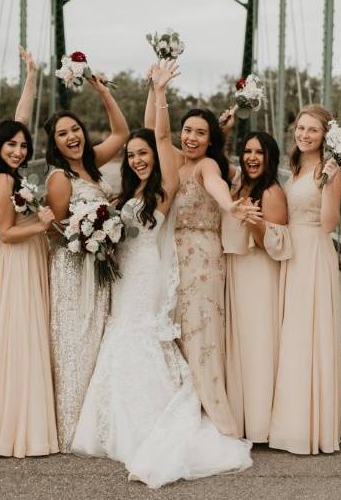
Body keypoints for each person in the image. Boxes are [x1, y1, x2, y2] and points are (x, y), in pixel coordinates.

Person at [71, 60, 252, 488]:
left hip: (163, 266)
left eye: (142, 154)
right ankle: (121, 418)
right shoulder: (136, 186)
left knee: (156, 334)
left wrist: (161, 94)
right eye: (132, 156)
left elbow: (171, 143)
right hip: (135, 267)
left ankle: (177, 415)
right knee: (133, 335)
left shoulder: (177, 179)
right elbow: (153, 139)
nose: (137, 160)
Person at [144, 90, 260, 436]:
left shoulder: (207, 165)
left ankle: (211, 410)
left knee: (200, 330)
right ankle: (183, 403)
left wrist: (231, 206)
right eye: (188, 130)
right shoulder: (178, 161)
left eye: (200, 133)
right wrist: (157, 89)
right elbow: (155, 131)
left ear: (211, 141)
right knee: (175, 328)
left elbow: (216, 186)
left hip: (203, 256)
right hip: (174, 254)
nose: (191, 137)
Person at [0, 49, 58, 457]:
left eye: (23, 145)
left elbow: (20, 117)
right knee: (22, 336)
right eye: (12, 145)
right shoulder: (1, 181)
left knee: (26, 334)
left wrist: (32, 76)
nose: (19, 150)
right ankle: (20, 426)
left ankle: (27, 420)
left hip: (27, 260)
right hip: (19, 259)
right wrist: (43, 222)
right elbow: (5, 233)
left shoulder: (7, 172)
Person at [43, 69, 129, 452]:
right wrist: (86, 232)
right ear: (55, 143)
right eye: (62, 134)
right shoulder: (60, 178)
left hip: (97, 265)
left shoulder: (91, 162)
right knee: (74, 342)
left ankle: (92, 423)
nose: (72, 137)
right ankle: (69, 427)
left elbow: (123, 135)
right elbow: (54, 231)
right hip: (72, 267)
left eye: (74, 129)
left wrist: (102, 93)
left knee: (96, 339)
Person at [268, 104, 341, 455]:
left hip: (313, 252)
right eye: (300, 129)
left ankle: (310, 422)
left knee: (308, 334)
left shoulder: (329, 169)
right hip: (292, 251)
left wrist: (331, 182)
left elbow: (330, 223)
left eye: (312, 130)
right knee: (292, 334)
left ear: (325, 136)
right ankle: (291, 414)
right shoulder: (297, 165)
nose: (304, 135)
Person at [222, 131, 291, 442]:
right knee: (238, 346)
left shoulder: (272, 192)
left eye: (259, 153)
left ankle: (261, 423)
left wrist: (255, 221)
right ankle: (240, 418)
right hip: (235, 272)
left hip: (259, 276)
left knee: (258, 345)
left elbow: (273, 245)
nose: (252, 157)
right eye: (247, 151)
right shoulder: (238, 186)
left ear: (270, 157)